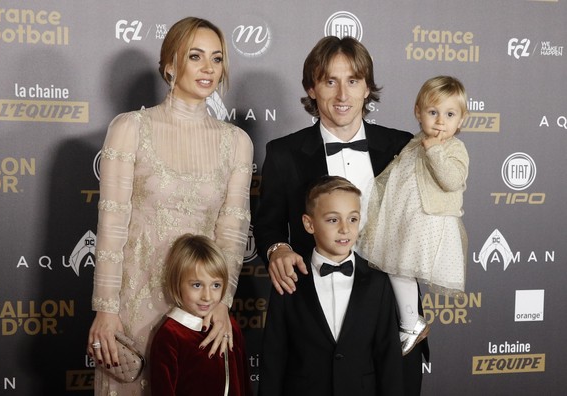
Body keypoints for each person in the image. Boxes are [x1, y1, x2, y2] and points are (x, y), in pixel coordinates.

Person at [87, 17, 253, 394]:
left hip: (200, 309)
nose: (209, 68)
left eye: (217, 58)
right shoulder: (130, 128)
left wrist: (222, 302)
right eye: (195, 56)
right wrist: (106, 308)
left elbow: (231, 231)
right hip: (134, 303)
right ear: (170, 65)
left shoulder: (237, 142)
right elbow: (112, 228)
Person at [254, 35, 428, 394]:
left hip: (393, 308)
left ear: (367, 89)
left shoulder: (401, 147)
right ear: (312, 89)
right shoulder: (284, 153)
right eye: (330, 81)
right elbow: (268, 225)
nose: (342, 95)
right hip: (316, 318)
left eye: (353, 81)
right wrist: (278, 250)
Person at [259, 176, 404, 396]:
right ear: (309, 224)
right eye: (333, 220)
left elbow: (388, 356)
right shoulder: (289, 278)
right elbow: (273, 356)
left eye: (353, 219)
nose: (345, 229)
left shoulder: (378, 281)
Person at [357, 75, 469, 355]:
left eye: (450, 114)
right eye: (433, 112)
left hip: (428, 222)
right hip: (405, 220)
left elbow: (452, 180)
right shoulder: (413, 143)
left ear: (461, 120)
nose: (441, 121)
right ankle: (410, 322)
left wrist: (436, 153)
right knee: (396, 269)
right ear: (418, 113)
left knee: (400, 268)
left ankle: (410, 323)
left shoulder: (453, 148)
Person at [150, 234, 253, 396]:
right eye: (197, 285)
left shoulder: (230, 326)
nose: (207, 296)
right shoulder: (170, 335)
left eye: (216, 285)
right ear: (178, 283)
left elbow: (244, 383)